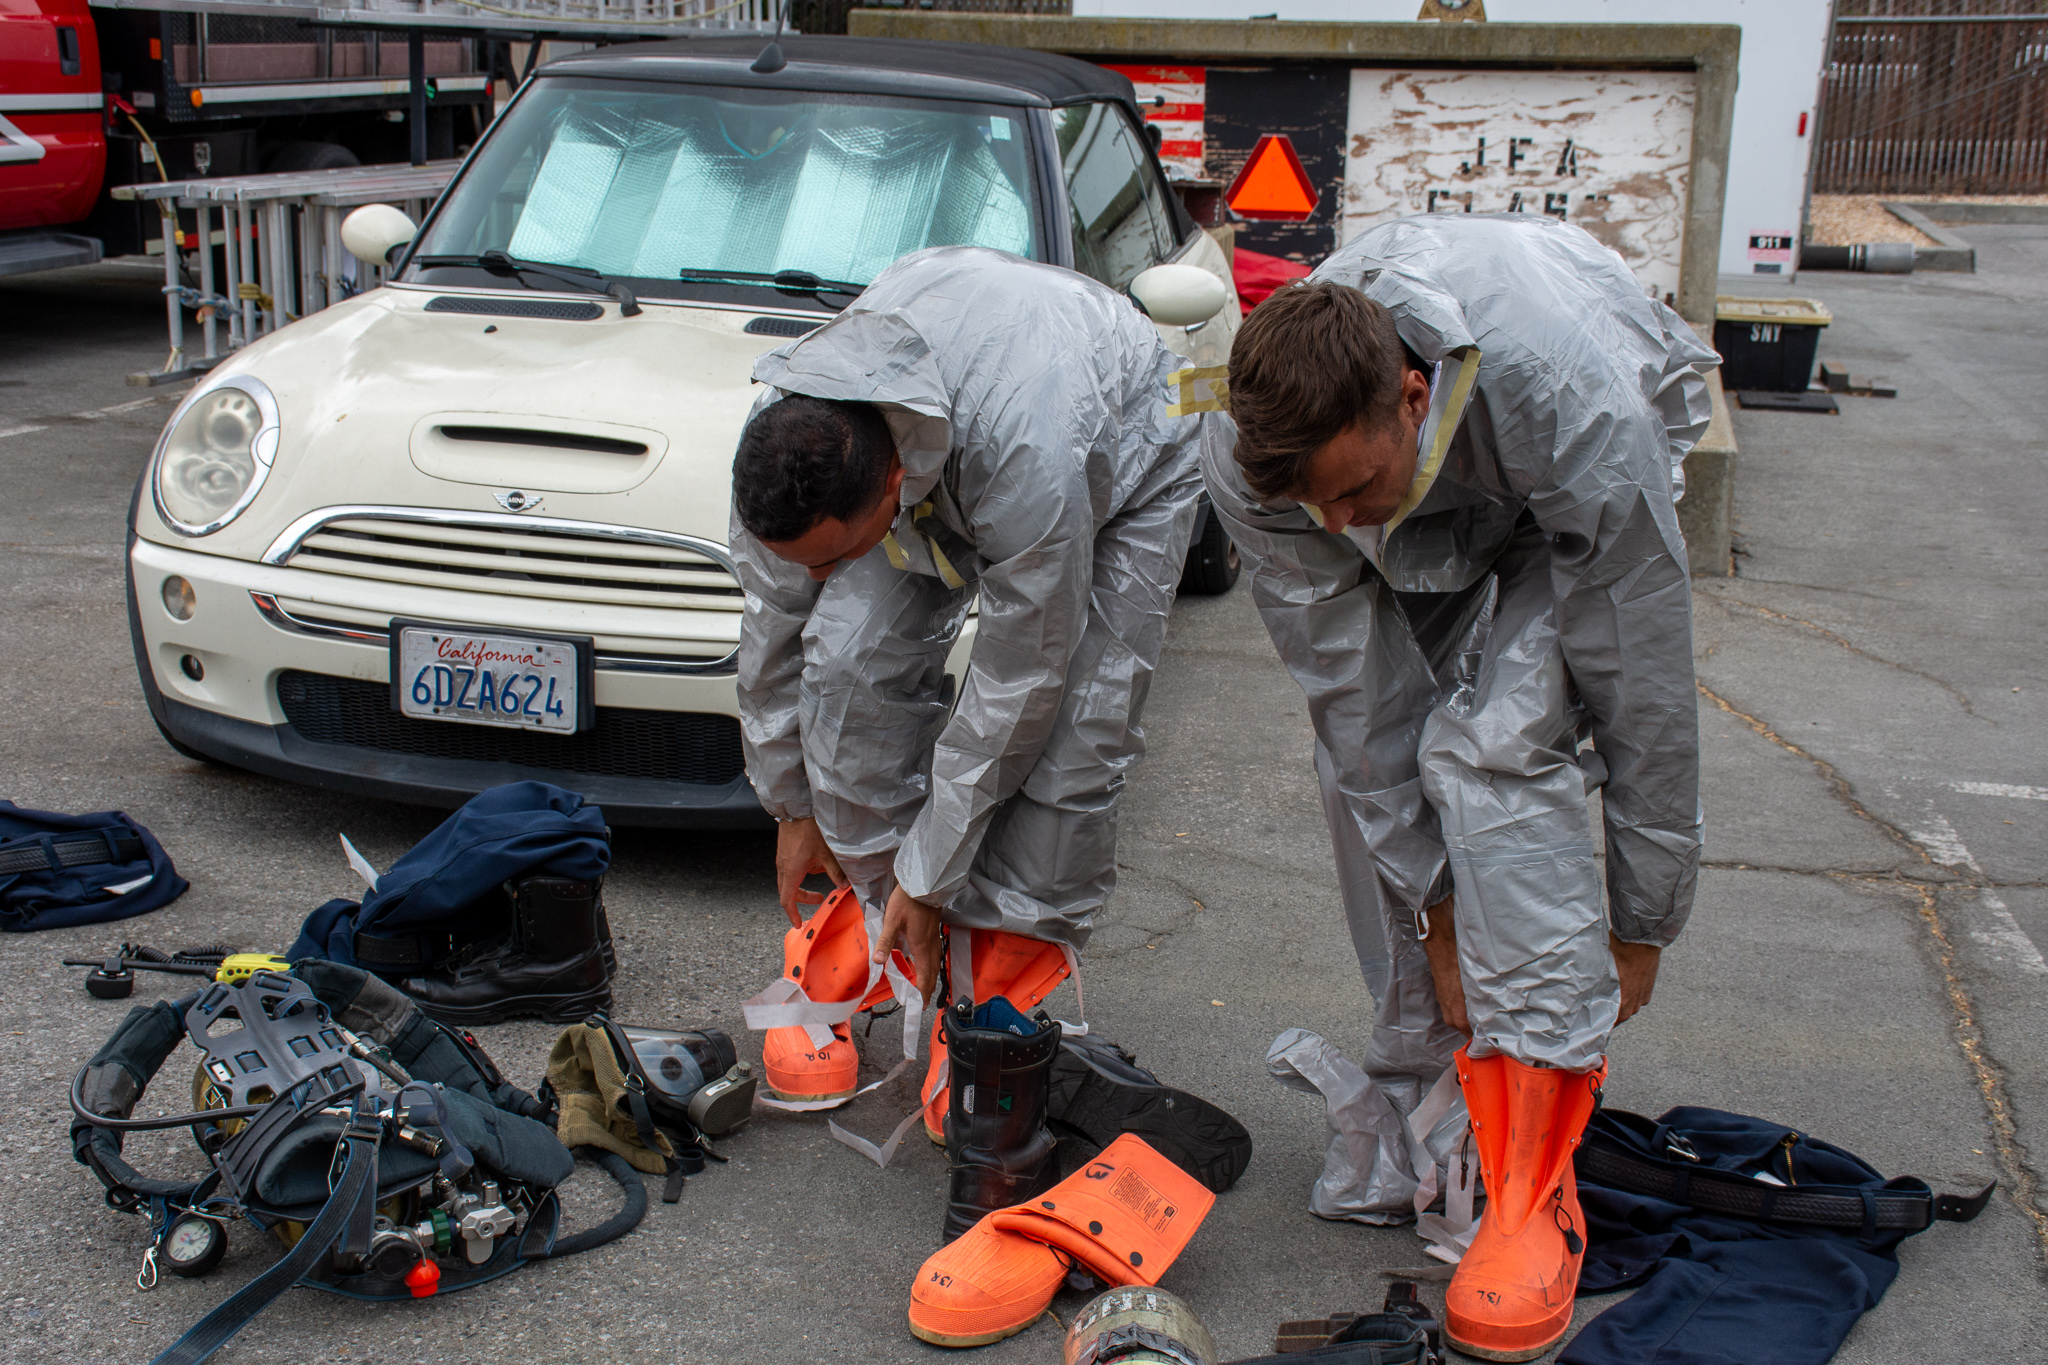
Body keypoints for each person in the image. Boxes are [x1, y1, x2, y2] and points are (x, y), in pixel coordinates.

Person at [1206, 213, 1715, 1362]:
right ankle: (1433, 1114)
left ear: (1402, 391)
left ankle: (1533, 1178)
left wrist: (1638, 923)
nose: (1335, 527)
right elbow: (1359, 705)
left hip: (1554, 478)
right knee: (1368, 773)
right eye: (1313, 510)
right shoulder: (1258, 465)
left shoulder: (1569, 400)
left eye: (1350, 487)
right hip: (1440, 489)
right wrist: (1434, 910)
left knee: (1494, 749)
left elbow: (1641, 686)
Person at [728, 245, 1209, 1239]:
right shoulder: (787, 436)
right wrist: (789, 808)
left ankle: (987, 1013)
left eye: (837, 555)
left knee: (1077, 736)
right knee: (848, 666)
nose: (819, 578)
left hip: (1118, 449)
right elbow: (774, 631)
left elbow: (1016, 679)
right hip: (945, 422)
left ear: (894, 486)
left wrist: (931, 870)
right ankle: (865, 934)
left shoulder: (1023, 457)